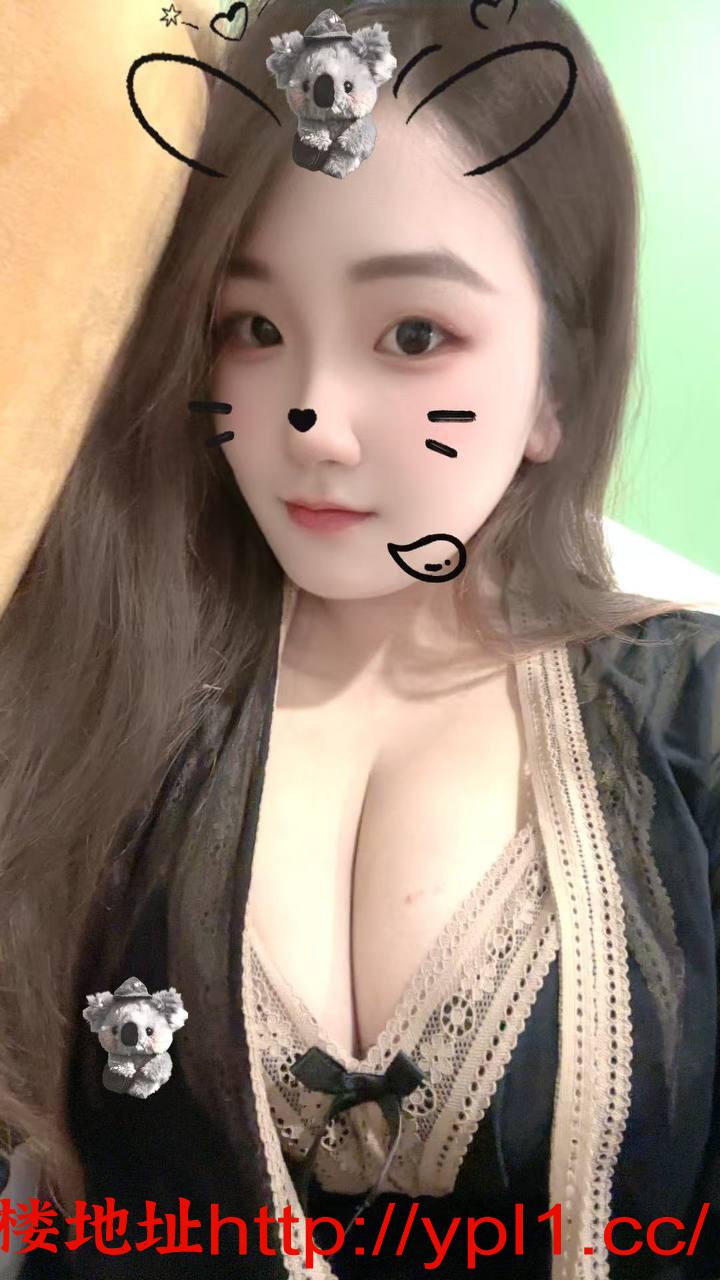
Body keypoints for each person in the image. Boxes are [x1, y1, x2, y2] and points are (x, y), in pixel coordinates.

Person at [1, 1, 718, 1277]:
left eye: (414, 334)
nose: (316, 420)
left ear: (556, 383)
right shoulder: (93, 691)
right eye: (252, 328)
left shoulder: (694, 722)